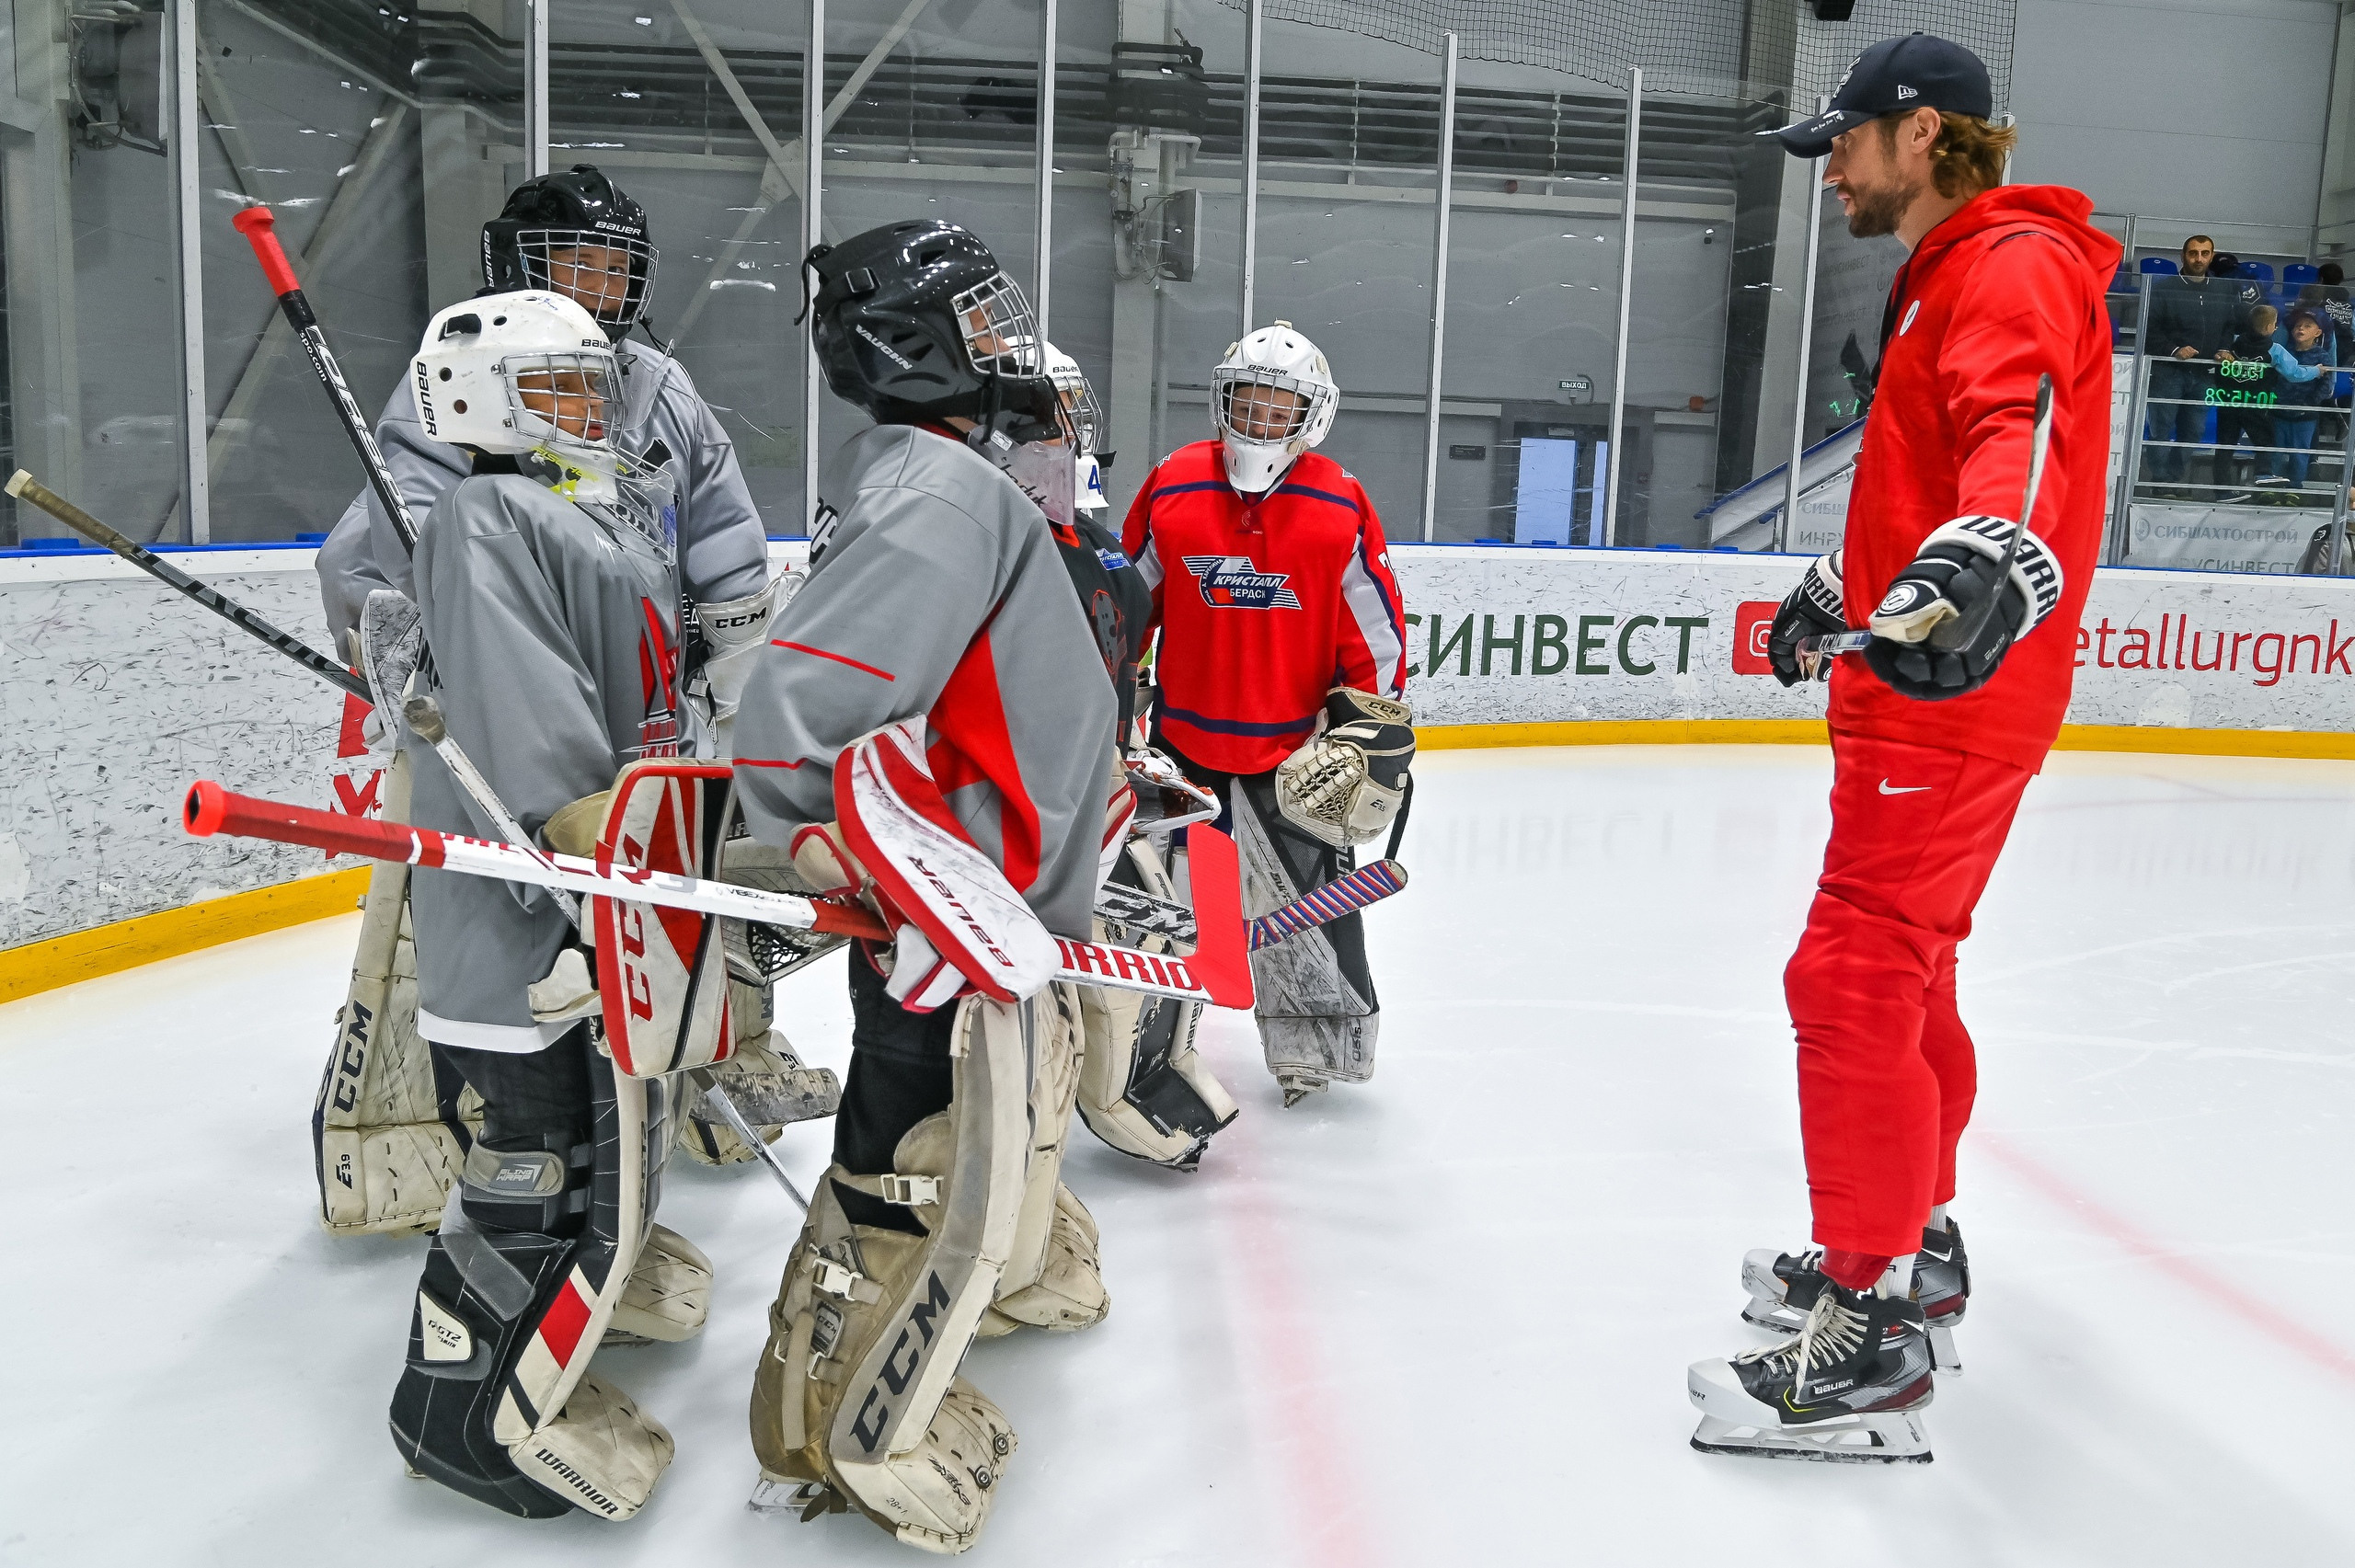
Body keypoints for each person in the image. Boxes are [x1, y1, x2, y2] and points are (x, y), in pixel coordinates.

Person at [1709, 31, 2120, 1464]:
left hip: (1953, 698)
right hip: (1922, 686)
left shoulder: (2009, 262)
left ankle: (1870, 1326)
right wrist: (1851, 584)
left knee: (1851, 972)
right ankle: (1915, 1244)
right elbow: (1932, 473)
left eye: (1846, 144)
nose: (1831, 173)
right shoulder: (1947, 270)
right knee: (1910, 968)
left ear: (1925, 133)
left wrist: (1993, 552)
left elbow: (2022, 428)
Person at [311, 165, 823, 1242]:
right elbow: (388, 548)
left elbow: (723, 538)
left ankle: (718, 1058)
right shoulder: (462, 368)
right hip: (490, 710)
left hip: (644, 699)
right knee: (458, 921)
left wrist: (736, 681)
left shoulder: (657, 387)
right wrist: (404, 633)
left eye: (611, 268)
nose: (596, 287)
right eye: (571, 265)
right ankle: (401, 1131)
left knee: (687, 896)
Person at [730, 220, 1119, 1553]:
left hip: (987, 910)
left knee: (975, 1135)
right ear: (910, 345)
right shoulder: (945, 495)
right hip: (945, 924)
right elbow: (795, 710)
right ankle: (832, 1418)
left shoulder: (954, 480)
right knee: (905, 1159)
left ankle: (950, 1312)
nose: (1010, 338)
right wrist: (821, 839)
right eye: (983, 316)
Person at [382, 290, 701, 1520]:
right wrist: (588, 849)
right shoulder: (484, 515)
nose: (589, 408)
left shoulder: (589, 515)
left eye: (590, 384)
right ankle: (455, 1414)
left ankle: (555, 1337)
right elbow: (532, 723)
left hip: (604, 893)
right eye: (557, 386)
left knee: (604, 1143)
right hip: (534, 910)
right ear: (474, 397)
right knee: (535, 1157)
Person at [1120, 321, 1411, 1106]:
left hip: (1296, 755)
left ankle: (1317, 1048)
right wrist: (1112, 706)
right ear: (1224, 400)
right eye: (1249, 401)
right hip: (1181, 750)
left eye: (1281, 407)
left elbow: (1376, 634)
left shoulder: (1340, 501)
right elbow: (1125, 607)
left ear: (1310, 416)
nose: (1262, 419)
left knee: (1304, 910)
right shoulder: (1173, 483)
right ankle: (1140, 1050)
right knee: (1162, 912)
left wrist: (1370, 732)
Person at [1039, 343, 1242, 1169]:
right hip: (1023, 804)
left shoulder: (1095, 540)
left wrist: (1129, 749)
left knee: (1156, 927)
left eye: (1065, 410)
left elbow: (1122, 654)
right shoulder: (977, 543)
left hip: (1099, 781)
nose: (1062, 429)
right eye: (1041, 411)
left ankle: (1146, 1073)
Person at [2142, 234, 2240, 494]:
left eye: (2205, 253)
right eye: (2193, 253)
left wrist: (2224, 348)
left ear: (2211, 256)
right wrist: (2174, 350)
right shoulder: (2163, 288)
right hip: (2167, 371)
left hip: (2205, 372)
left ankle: (2175, 479)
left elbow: (2229, 325)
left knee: (2194, 431)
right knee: (2161, 429)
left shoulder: (2223, 289)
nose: (2199, 258)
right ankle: (2160, 482)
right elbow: (2149, 330)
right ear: (2183, 256)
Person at [2213, 303, 2280, 497]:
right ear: (2270, 327)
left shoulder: (2230, 345)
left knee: (2225, 445)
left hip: (2229, 402)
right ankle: (2263, 473)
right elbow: (2294, 373)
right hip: (2256, 404)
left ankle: (2221, 491)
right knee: (2265, 439)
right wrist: (2315, 371)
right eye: (2275, 323)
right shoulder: (2275, 349)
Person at [2266, 308, 2334, 489]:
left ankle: (2295, 487)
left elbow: (2325, 385)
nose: (2301, 328)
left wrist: (2310, 403)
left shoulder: (2322, 356)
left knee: (2299, 453)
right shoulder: (2283, 352)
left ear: (2318, 333)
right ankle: (2271, 487)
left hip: (2306, 415)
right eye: (2297, 325)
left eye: (2307, 325)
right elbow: (2273, 378)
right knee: (2275, 451)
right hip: (2279, 412)